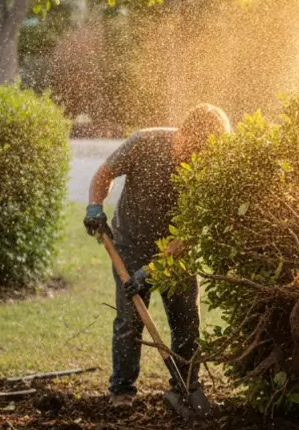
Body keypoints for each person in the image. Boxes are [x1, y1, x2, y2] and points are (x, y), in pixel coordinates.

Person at [83, 103, 232, 407]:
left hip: (174, 255)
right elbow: (104, 173)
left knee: (186, 319)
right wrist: (94, 207)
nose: (196, 158)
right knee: (130, 320)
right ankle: (122, 390)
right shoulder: (144, 142)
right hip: (130, 245)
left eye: (205, 153)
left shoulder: (206, 168)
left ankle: (185, 387)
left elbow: (188, 234)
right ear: (183, 131)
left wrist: (152, 272)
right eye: (194, 149)